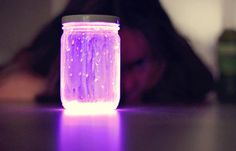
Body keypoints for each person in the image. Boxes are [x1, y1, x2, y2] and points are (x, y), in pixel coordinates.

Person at [0, 0, 214, 106]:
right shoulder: (44, 61)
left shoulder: (183, 76)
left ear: (163, 57)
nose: (124, 83)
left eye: (137, 65)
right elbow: (8, 87)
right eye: (107, 65)